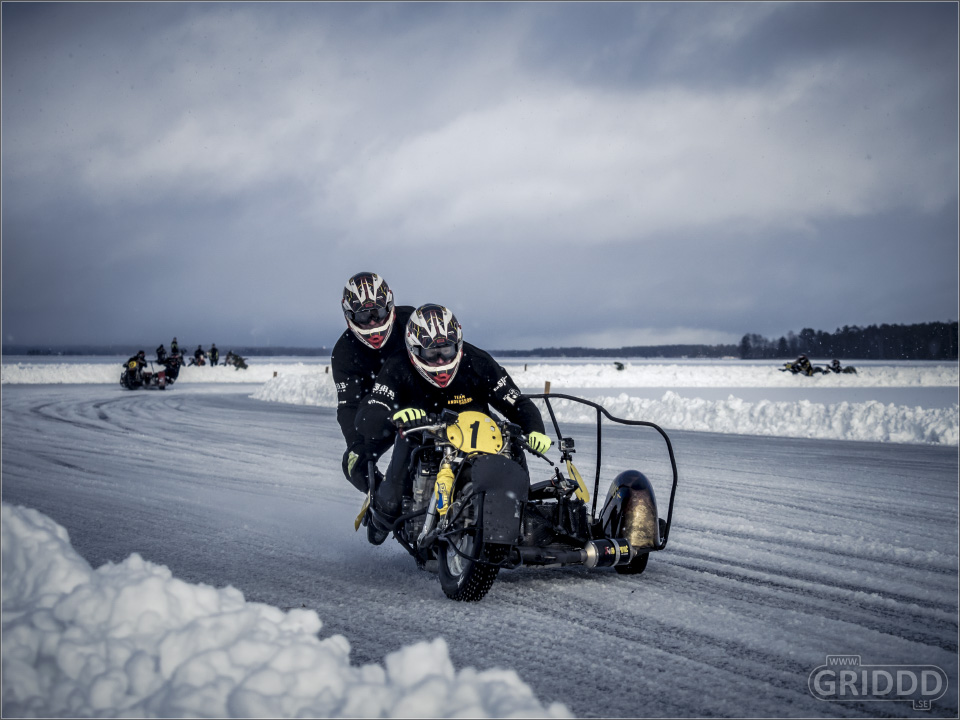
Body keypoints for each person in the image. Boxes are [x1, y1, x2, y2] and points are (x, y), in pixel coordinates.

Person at [355, 303, 552, 545]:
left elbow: (516, 401)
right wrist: (394, 417)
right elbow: (368, 411)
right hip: (422, 434)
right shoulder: (398, 366)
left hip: (480, 436)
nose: (440, 360)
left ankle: (519, 515)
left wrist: (535, 430)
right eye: (431, 354)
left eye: (446, 351)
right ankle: (380, 516)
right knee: (390, 505)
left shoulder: (478, 361)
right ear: (414, 349)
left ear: (457, 344)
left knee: (514, 447)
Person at [332, 272, 414, 494]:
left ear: (389, 306)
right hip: (381, 414)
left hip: (424, 400)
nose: (373, 322)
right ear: (349, 315)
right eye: (363, 316)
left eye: (377, 313)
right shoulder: (344, 353)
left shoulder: (412, 322)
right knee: (354, 464)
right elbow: (348, 406)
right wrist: (356, 444)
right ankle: (385, 501)